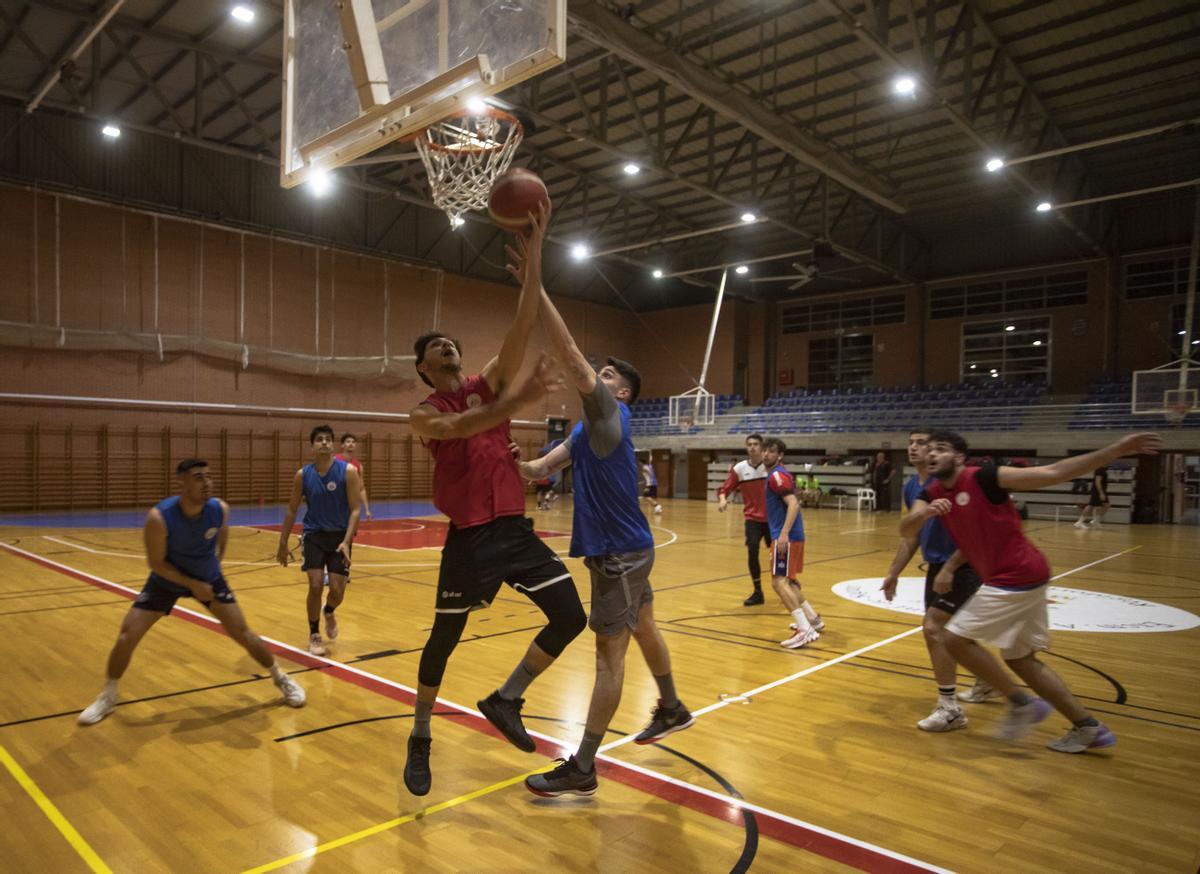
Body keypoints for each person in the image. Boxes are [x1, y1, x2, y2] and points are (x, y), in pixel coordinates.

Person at [401, 206, 587, 797]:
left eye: (453, 342)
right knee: (443, 641)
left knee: (571, 617)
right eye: (437, 347)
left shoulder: (486, 384)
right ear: (424, 369)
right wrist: (517, 401)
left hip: (513, 530)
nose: (448, 347)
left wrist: (534, 265)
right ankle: (421, 733)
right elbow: (459, 431)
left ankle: (505, 698)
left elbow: (521, 326)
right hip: (471, 539)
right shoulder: (425, 414)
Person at [515, 248, 691, 796]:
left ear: (621, 393)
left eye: (607, 373)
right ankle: (672, 706)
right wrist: (497, 458)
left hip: (618, 553)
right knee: (644, 628)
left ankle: (584, 766)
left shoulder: (610, 415)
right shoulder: (581, 434)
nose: (596, 375)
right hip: (628, 549)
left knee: (608, 656)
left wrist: (535, 286)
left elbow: (568, 354)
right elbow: (540, 469)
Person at [900, 429, 1161, 753]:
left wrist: (1116, 450)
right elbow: (906, 528)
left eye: (941, 449)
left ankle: (1021, 703)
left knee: (952, 637)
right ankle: (1088, 727)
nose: (932, 454)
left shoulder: (986, 477)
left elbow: (1054, 472)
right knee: (1022, 659)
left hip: (1016, 574)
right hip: (1025, 575)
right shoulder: (933, 491)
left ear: (960, 457)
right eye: (930, 450)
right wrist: (924, 513)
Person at [79, 459, 306, 725]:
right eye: (198, 478)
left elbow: (221, 539)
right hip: (166, 579)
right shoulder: (159, 518)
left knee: (243, 633)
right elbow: (156, 563)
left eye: (209, 477)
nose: (207, 483)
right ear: (182, 483)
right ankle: (108, 696)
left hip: (208, 578)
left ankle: (281, 679)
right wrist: (191, 584)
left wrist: (215, 567)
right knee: (127, 634)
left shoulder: (219, 509)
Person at [882, 428, 991, 733]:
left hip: (963, 562)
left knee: (933, 628)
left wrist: (952, 568)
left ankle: (950, 708)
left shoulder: (952, 480)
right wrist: (893, 572)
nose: (916, 449)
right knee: (957, 632)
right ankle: (986, 682)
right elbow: (910, 535)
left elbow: (975, 530)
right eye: (911, 443)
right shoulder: (911, 488)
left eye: (924, 444)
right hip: (937, 564)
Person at [276, 425, 362, 656]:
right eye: (319, 439)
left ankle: (329, 610)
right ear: (312, 445)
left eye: (327, 439)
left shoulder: (348, 472)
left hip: (340, 537)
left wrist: (346, 541)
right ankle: (314, 634)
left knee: (336, 590)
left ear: (333, 444)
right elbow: (292, 510)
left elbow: (355, 509)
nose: (323, 442)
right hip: (314, 534)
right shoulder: (303, 475)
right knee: (315, 585)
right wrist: (282, 543)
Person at [761, 438, 824, 648]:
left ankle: (804, 629)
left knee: (778, 582)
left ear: (780, 455)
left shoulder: (777, 475)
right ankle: (813, 619)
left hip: (785, 537)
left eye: (771, 452)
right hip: (792, 535)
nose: (766, 455)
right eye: (764, 451)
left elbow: (793, 504)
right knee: (790, 582)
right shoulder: (777, 474)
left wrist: (784, 534)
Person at [716, 433, 770, 606]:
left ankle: (788, 583)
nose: (752, 447)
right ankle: (757, 591)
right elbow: (725, 488)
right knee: (752, 552)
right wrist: (723, 499)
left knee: (778, 555)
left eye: (755, 444)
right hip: (752, 518)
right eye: (749, 444)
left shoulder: (771, 467)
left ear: (762, 448)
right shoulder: (739, 468)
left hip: (773, 519)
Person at [335, 433, 373, 521]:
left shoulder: (358, 466)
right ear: (342, 445)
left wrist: (367, 510)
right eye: (348, 441)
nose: (351, 443)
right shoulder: (335, 461)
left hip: (350, 505)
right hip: (334, 503)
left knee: (349, 530)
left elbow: (361, 488)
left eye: (353, 442)